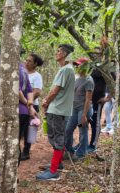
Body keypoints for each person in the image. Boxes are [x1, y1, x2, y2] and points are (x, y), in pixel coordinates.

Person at [36, 44, 75, 181]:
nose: (56, 53)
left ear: (65, 54)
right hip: (59, 109)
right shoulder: (67, 69)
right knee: (56, 136)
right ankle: (57, 164)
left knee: (57, 138)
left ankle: (53, 172)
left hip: (58, 109)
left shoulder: (66, 70)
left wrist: (46, 101)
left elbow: (55, 90)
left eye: (59, 51)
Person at [65, 57, 94, 160]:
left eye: (79, 65)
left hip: (83, 109)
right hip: (75, 108)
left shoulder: (89, 80)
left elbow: (88, 99)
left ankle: (81, 153)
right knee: (68, 130)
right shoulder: (77, 78)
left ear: (85, 66)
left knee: (83, 130)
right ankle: (68, 151)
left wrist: (84, 115)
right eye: (76, 65)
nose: (76, 66)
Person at [20, 53, 43, 160]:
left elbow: (37, 92)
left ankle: (26, 151)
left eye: (30, 61)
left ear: (35, 64)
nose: (26, 62)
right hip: (22, 105)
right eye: (26, 60)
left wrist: (28, 103)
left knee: (29, 130)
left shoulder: (37, 76)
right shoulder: (22, 72)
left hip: (31, 106)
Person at [19, 63, 35, 161]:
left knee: (15, 141)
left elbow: (18, 90)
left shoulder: (14, 69)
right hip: (25, 111)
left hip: (18, 110)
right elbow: (30, 90)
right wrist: (30, 106)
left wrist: (26, 104)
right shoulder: (24, 70)